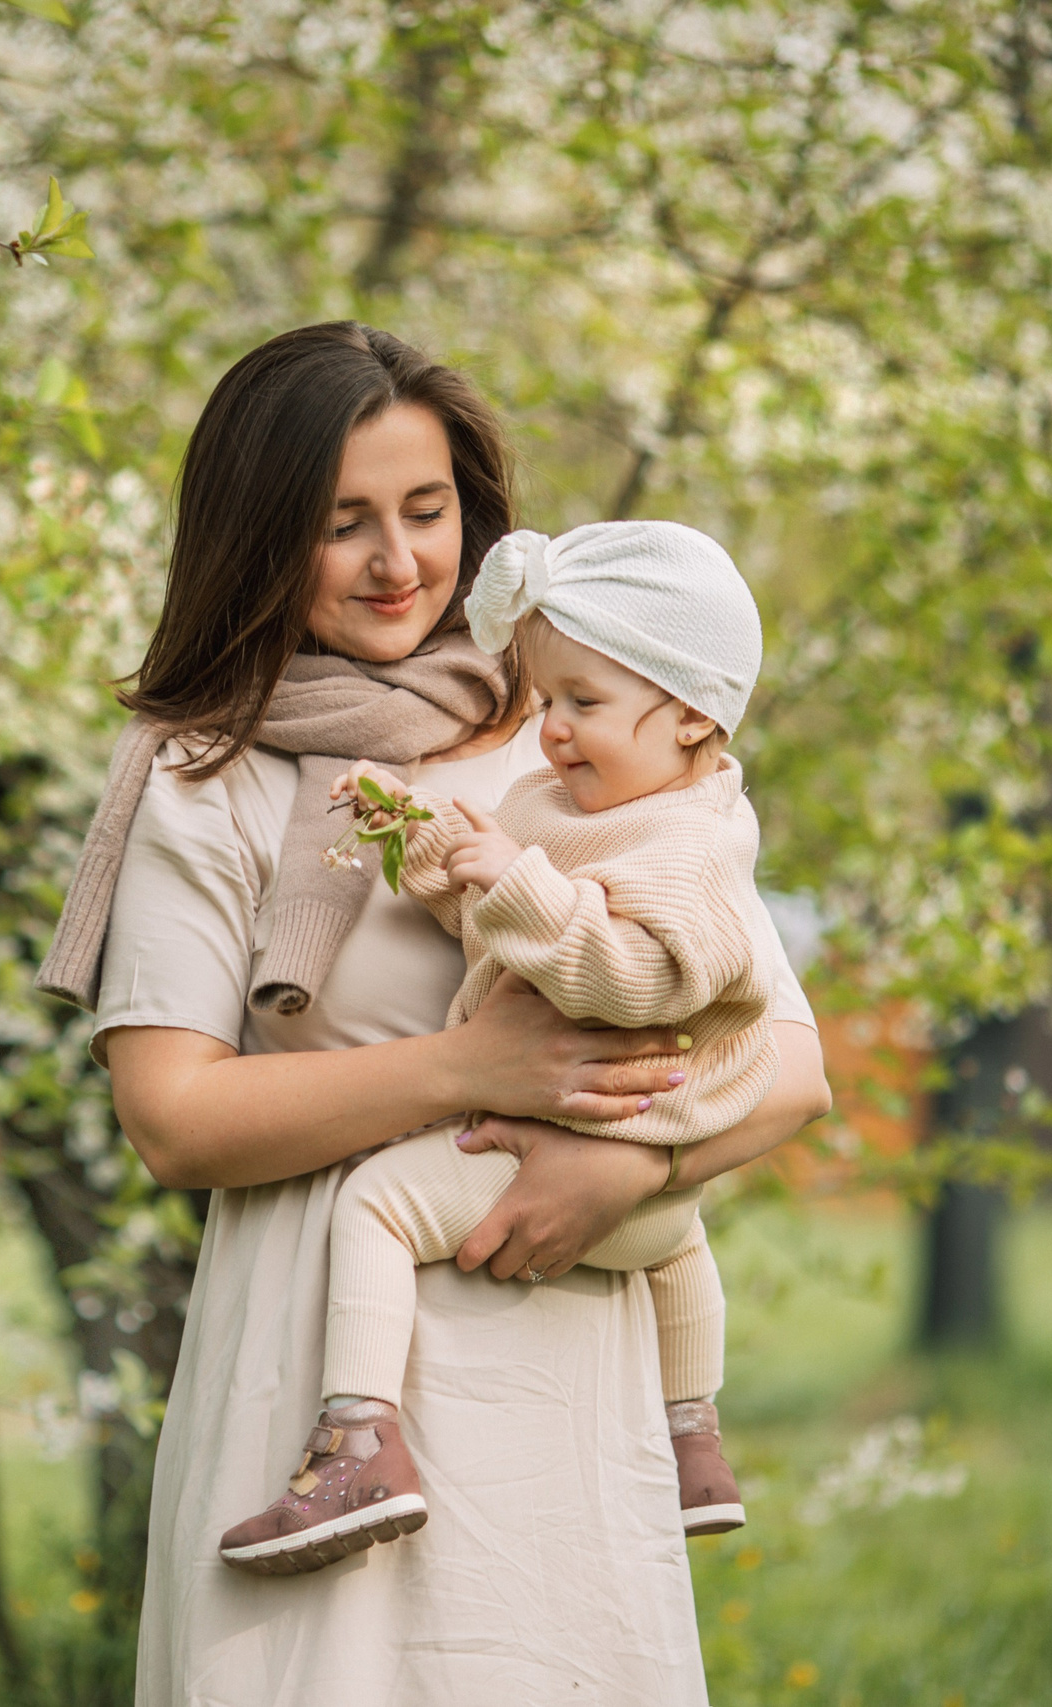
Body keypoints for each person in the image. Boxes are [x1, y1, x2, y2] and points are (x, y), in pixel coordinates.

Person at [38, 321, 832, 1703]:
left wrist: (625, 1162)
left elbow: (787, 1062)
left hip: (562, 1370)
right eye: (341, 524)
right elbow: (172, 1118)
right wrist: (469, 1063)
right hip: (319, 1382)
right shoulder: (203, 777)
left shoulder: (578, 737)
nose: (399, 562)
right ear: (258, 534)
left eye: (427, 510)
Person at [215, 520, 776, 1576]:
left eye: (585, 704)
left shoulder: (685, 841)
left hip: (568, 1143)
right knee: (683, 1243)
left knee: (375, 1204)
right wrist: (419, 838)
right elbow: (492, 923)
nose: (553, 730)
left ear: (695, 713)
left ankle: (358, 1441)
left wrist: (518, 877)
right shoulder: (585, 803)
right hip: (652, 1201)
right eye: (548, 699)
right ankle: (691, 1443)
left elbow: (637, 979)